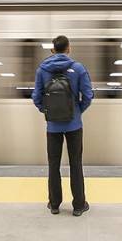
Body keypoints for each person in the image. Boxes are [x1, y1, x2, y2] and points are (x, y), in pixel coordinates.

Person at [32, 35, 93, 216]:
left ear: (53, 50)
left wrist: (47, 112)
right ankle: (79, 205)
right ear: (68, 48)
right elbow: (88, 96)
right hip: (74, 125)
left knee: (53, 165)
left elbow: (36, 97)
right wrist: (77, 111)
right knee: (76, 164)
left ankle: (55, 204)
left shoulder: (42, 70)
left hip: (53, 127)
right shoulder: (78, 68)